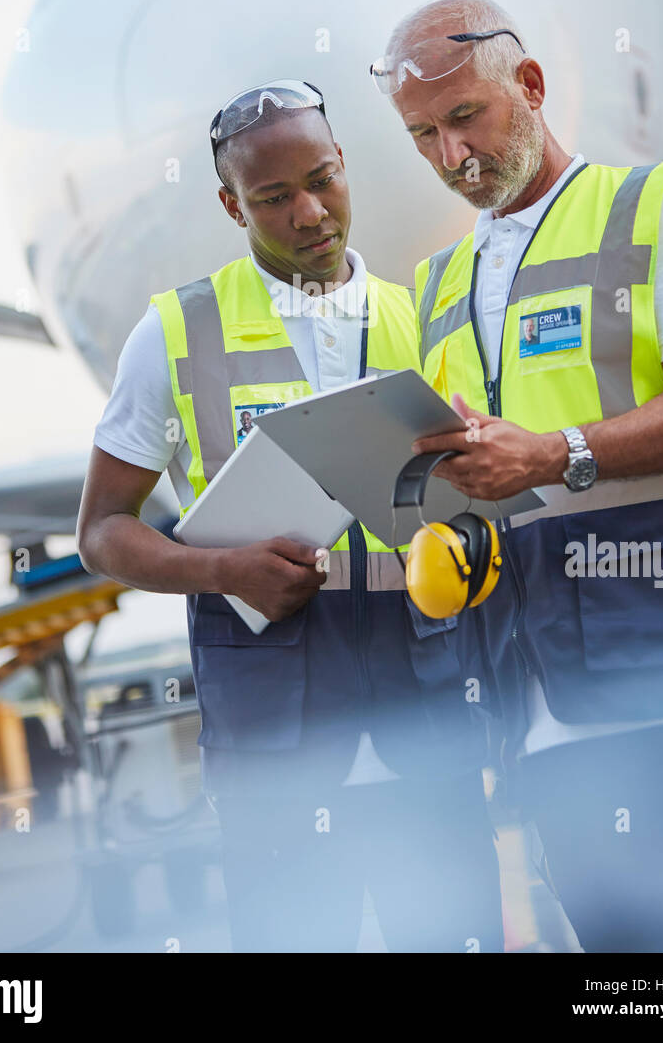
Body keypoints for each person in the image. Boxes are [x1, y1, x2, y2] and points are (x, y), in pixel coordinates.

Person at [76, 78, 503, 953]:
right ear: (232, 206)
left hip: (424, 716)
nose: (310, 213)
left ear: (345, 165)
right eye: (274, 198)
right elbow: (101, 533)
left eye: (323, 180)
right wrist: (219, 571)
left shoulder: (416, 314)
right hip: (276, 737)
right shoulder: (174, 333)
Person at [371, 0, 663, 953]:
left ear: (531, 87)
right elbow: (485, 477)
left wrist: (554, 455)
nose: (452, 157)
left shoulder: (653, 206)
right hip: (537, 696)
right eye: (424, 136)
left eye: (467, 118)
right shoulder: (439, 286)